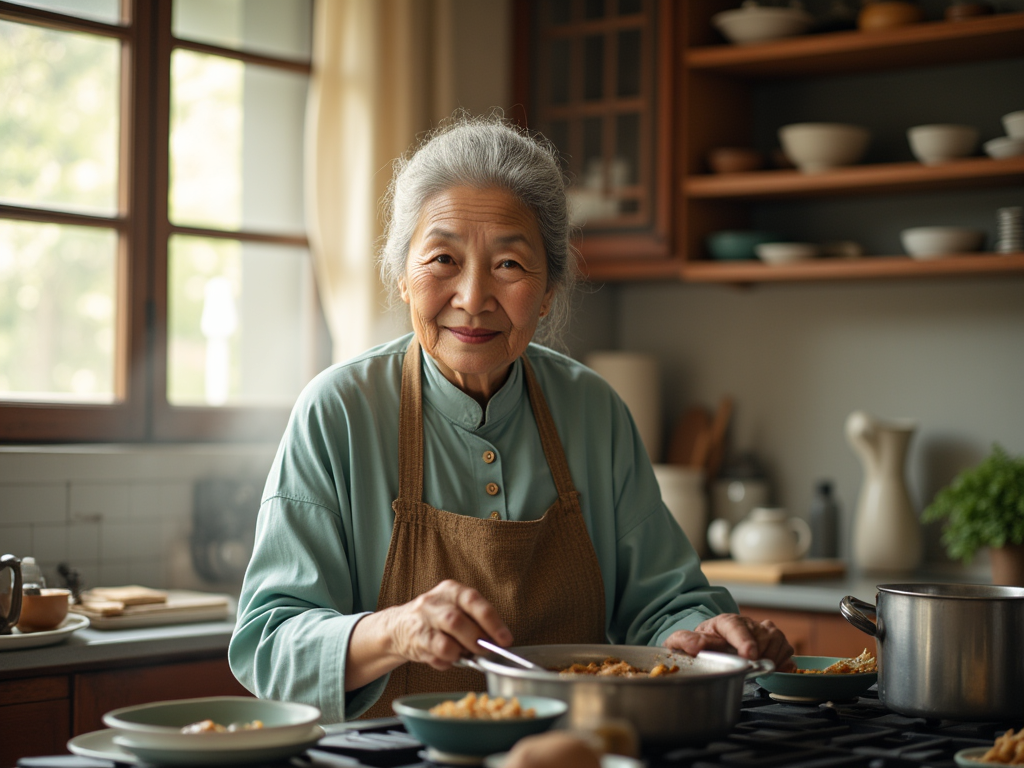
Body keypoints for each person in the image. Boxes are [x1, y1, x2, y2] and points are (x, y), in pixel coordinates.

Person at [228, 114, 794, 723]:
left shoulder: (592, 409)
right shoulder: (338, 411)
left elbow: (664, 604)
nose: (473, 297)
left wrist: (701, 635)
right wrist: (394, 631)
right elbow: (269, 645)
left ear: (548, 291)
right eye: (442, 258)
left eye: (508, 265)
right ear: (403, 277)